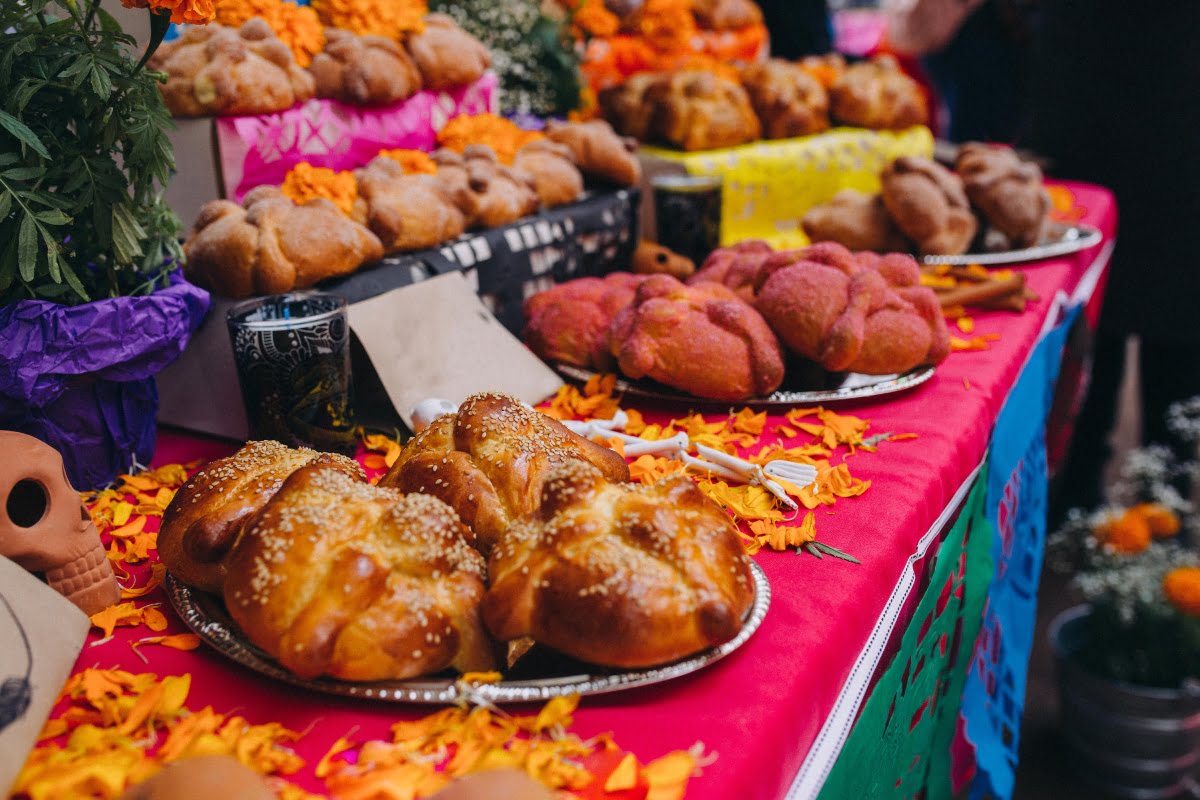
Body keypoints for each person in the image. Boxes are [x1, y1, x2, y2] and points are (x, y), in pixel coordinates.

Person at [1033, 0, 1200, 511]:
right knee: (1088, 324)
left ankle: (1156, 509)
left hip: (1169, 120)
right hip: (1091, 113)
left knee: (1170, 335)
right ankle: (1080, 497)